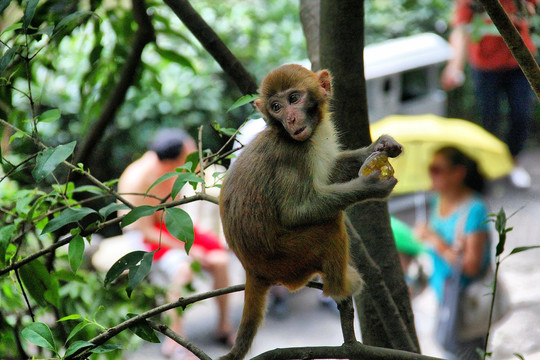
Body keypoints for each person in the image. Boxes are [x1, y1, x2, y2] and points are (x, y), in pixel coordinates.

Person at [118, 128, 234, 359]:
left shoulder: (173, 167)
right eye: (189, 155)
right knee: (182, 271)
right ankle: (175, 341)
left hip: (169, 226)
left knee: (220, 259)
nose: (195, 160)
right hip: (144, 236)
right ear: (173, 160)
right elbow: (143, 229)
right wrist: (188, 250)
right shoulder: (138, 177)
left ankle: (223, 327)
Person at [440, 0, 537, 188]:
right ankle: (491, 165)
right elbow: (461, 28)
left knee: (521, 114)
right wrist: (454, 67)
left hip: (519, 62)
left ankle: (513, 161)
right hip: (485, 67)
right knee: (489, 116)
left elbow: (532, 9)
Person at [415, 146, 491, 359]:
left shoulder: (474, 208)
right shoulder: (437, 200)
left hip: (467, 305)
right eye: (430, 169)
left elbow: (471, 267)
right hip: (445, 296)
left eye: (437, 169)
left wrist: (433, 239)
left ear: (458, 173)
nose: (431, 174)